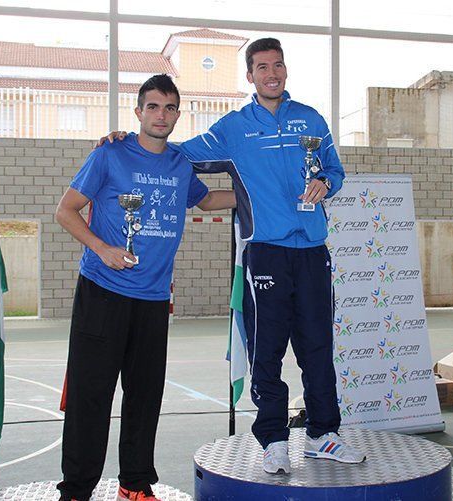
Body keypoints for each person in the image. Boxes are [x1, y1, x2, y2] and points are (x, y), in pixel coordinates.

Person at [100, 38, 365, 475]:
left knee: (319, 347)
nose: (272, 73)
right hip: (267, 253)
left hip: (314, 252)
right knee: (268, 350)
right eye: (262, 67)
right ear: (250, 76)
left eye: (278, 65)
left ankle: (323, 435)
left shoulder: (311, 119)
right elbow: (177, 151)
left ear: (285, 70)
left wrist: (327, 184)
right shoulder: (234, 129)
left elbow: (334, 171)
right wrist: (131, 139)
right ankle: (274, 439)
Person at [56, 74, 235, 501]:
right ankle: (76, 491)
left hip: (153, 299)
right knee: (90, 395)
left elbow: (207, 200)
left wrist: (260, 195)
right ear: (138, 112)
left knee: (145, 395)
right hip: (103, 291)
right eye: (153, 107)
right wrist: (103, 249)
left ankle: (134, 485)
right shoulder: (110, 154)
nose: (162, 115)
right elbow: (66, 211)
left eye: (170, 108)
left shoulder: (179, 162)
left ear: (178, 114)